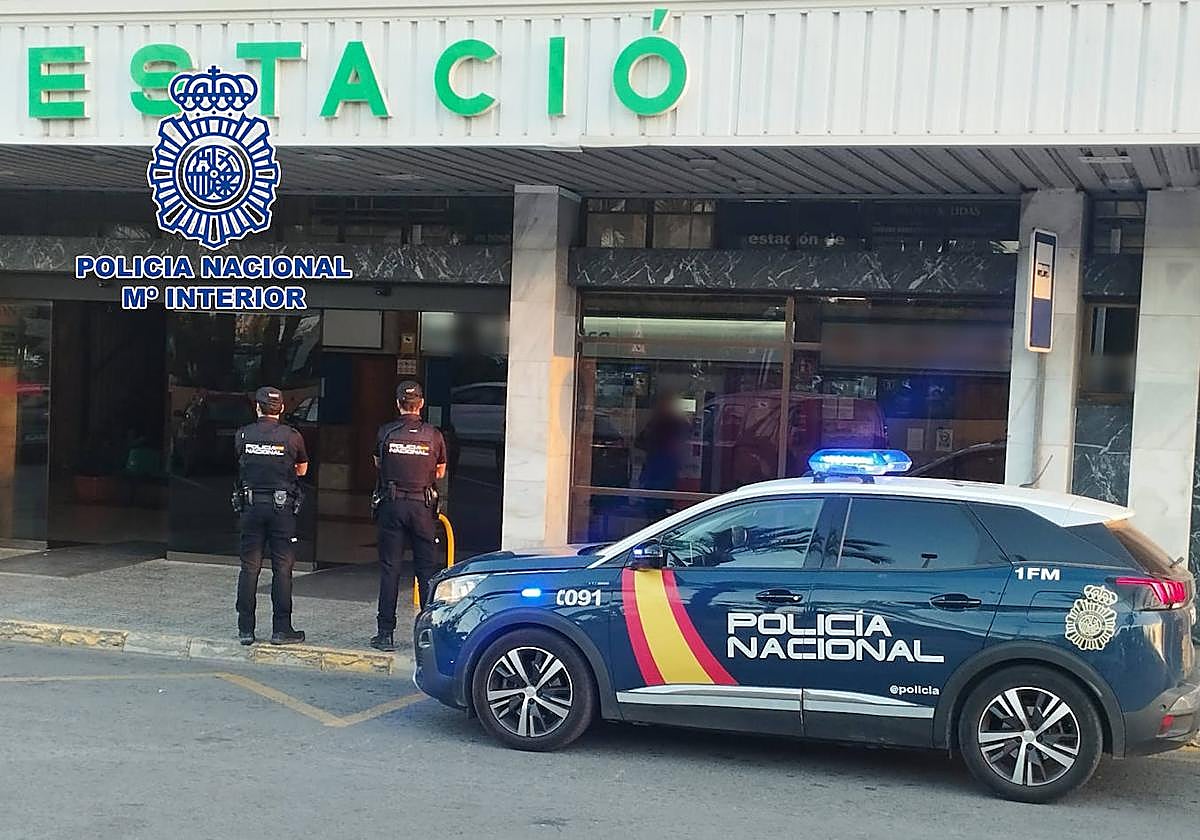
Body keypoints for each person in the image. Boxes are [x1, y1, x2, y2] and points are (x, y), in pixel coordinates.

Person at [370, 380, 447, 651]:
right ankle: (428, 637)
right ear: (421, 404)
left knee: (390, 569)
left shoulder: (386, 432)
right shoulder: (433, 435)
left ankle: (385, 633)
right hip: (422, 507)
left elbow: (379, 465)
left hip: (392, 505)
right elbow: (440, 472)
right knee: (426, 571)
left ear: (398, 404)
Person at [234, 386, 308, 646]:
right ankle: (281, 629)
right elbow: (302, 469)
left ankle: (246, 629)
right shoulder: (292, 436)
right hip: (281, 509)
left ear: (257, 407)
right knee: (282, 569)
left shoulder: (243, 434)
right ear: (282, 409)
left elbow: (241, 461)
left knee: (249, 568)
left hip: (251, 506)